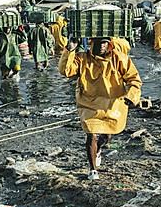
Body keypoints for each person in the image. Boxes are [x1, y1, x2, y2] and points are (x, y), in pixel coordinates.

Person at [59, 37, 142, 180]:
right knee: (91, 134)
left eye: (104, 42)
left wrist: (132, 96)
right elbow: (66, 71)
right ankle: (93, 170)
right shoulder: (82, 58)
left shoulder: (118, 58)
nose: (102, 46)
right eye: (98, 43)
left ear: (109, 43)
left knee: (107, 135)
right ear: (92, 43)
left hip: (112, 103)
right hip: (88, 102)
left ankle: (98, 149)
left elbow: (134, 79)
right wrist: (70, 49)